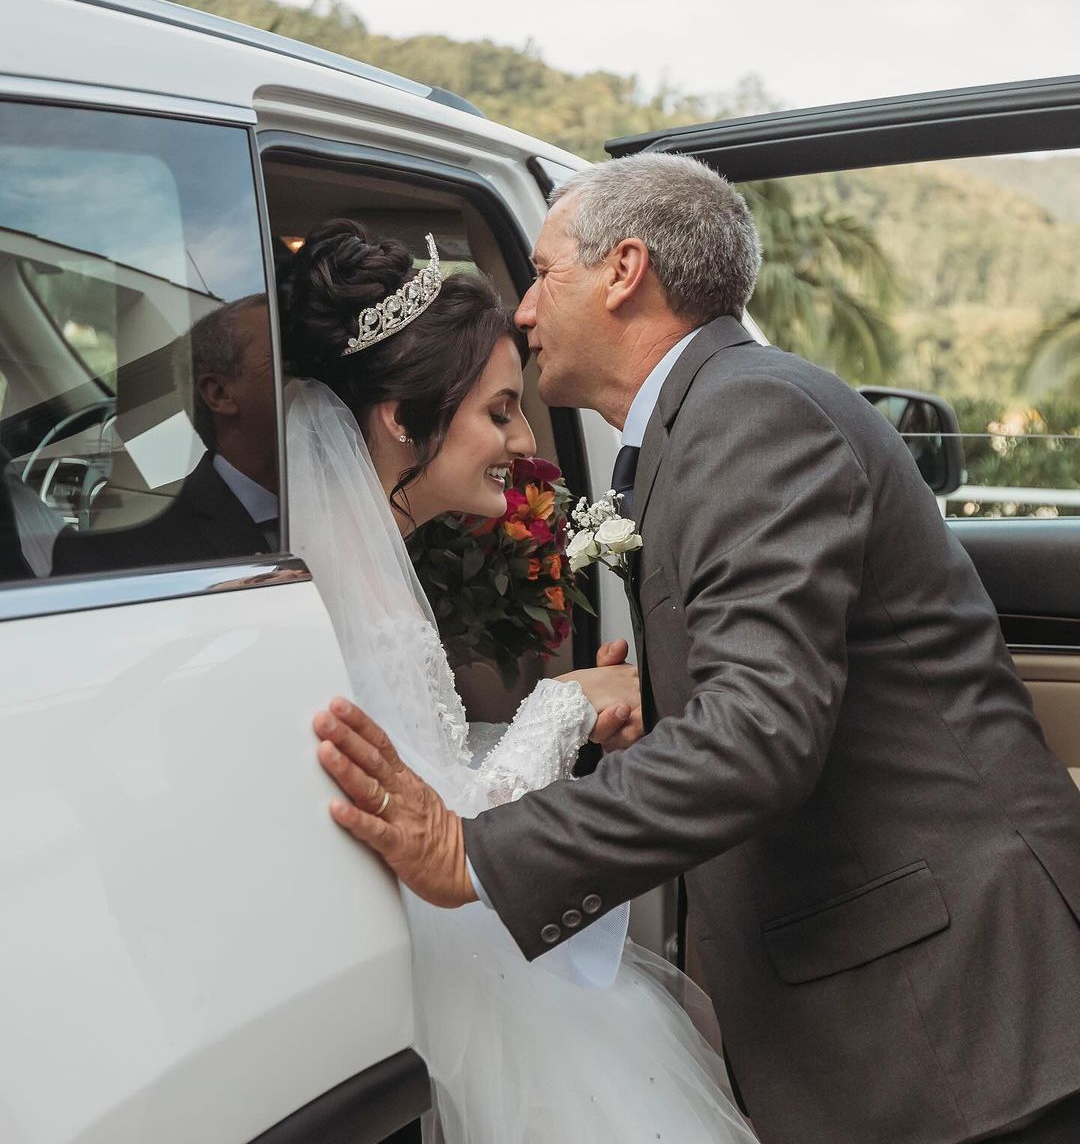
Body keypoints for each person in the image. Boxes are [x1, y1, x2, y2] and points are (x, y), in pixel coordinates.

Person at [316, 156, 1080, 1144]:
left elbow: (758, 733)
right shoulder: (716, 413)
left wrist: (472, 851)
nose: (527, 312)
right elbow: (780, 691)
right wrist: (668, 704)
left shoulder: (747, 413)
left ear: (624, 270)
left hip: (955, 1017)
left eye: (544, 275)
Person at [281, 217, 757, 1144]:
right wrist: (563, 706)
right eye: (500, 411)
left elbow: (420, 775)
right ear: (400, 418)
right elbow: (441, 826)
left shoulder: (354, 562)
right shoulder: (361, 593)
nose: (523, 437)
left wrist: (570, 718)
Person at [56, 296, 277, 571]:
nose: (313, 378)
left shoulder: (342, 494)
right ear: (219, 394)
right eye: (283, 359)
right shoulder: (115, 551)